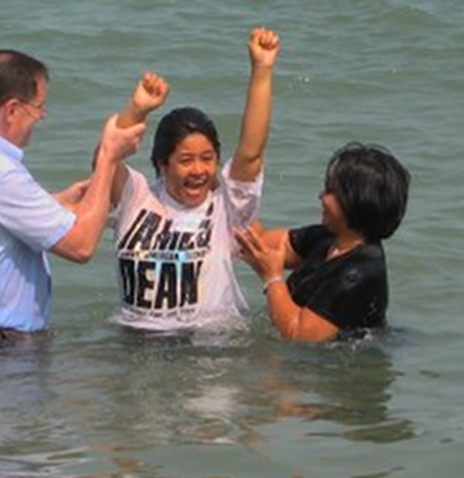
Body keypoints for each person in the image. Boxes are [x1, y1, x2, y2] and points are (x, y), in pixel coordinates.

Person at [0, 49, 146, 344]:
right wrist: (108, 157)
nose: (41, 117)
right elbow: (81, 246)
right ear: (12, 109)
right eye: (38, 108)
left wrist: (58, 201)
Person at [106, 27, 281, 331]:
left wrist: (262, 69)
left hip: (209, 349)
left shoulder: (225, 208)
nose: (199, 171)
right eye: (186, 161)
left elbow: (251, 154)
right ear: (162, 164)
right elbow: (105, 160)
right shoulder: (136, 197)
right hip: (135, 345)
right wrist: (137, 111)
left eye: (208, 158)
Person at [234, 142, 411, 342]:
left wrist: (272, 278)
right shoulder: (329, 237)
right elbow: (279, 245)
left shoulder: (357, 275)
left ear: (355, 202)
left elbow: (299, 335)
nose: (321, 196)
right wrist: (241, 230)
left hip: (344, 364)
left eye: (329, 190)